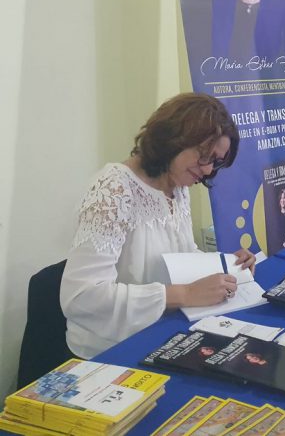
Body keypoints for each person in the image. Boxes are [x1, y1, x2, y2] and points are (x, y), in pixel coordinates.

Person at [60, 93, 258, 359]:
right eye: (205, 157)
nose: (210, 170)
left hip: (161, 334)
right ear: (175, 139)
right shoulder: (113, 189)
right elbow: (82, 297)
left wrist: (223, 264)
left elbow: (178, 256)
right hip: (109, 351)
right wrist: (185, 294)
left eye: (217, 162)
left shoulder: (175, 185)